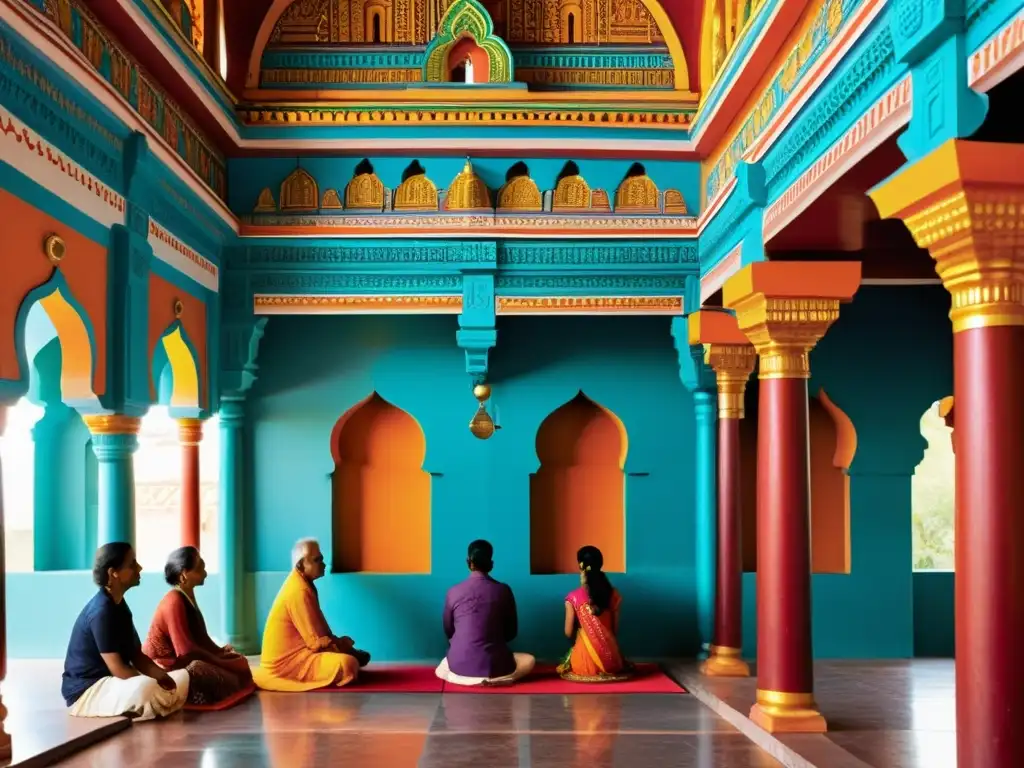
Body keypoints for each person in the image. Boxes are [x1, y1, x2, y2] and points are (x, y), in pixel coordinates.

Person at [62, 542, 190, 719]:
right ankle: (154, 703)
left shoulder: (120, 606)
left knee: (183, 676)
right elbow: (118, 669)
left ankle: (152, 704)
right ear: (113, 572)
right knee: (146, 687)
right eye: (132, 564)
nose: (139, 568)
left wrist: (163, 677)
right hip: (88, 691)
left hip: (114, 684)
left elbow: (137, 656)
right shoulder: (101, 612)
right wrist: (153, 682)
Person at [252, 538, 371, 691]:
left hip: (303, 655)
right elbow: (315, 642)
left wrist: (344, 647)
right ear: (301, 565)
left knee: (349, 658)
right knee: (348, 664)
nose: (323, 564)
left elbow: (321, 632)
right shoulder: (299, 591)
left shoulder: (304, 585)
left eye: (321, 559)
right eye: (317, 560)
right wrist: (346, 651)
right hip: (287, 666)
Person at [142, 546, 254, 706]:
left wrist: (221, 653)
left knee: (239, 661)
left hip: (187, 659)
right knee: (220, 676)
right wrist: (220, 661)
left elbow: (202, 639)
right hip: (168, 667)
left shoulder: (187, 596)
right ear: (183, 575)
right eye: (200, 568)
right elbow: (185, 651)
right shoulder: (174, 601)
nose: (206, 573)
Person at [435, 539, 535, 686]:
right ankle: (498, 680)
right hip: (497, 669)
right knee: (529, 660)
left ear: (468, 562)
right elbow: (511, 633)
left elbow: (449, 631)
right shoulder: (504, 590)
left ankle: (466, 679)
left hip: (459, 668)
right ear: (491, 563)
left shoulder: (453, 591)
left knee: (443, 665)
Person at [556, 545, 632, 682]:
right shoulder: (614, 595)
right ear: (600, 564)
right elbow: (614, 630)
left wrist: (584, 633)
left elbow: (568, 633)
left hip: (583, 664)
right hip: (613, 662)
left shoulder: (573, 597)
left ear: (580, 566)